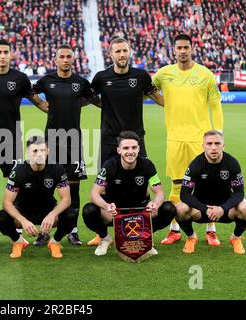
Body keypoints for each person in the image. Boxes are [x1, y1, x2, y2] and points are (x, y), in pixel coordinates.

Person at [88, 37, 164, 246]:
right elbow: (90, 98)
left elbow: (157, 97)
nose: (121, 55)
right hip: (109, 139)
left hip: (135, 139)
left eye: (125, 51)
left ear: (130, 52)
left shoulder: (140, 76)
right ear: (110, 54)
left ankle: (141, 223)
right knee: (103, 184)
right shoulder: (101, 77)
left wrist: (179, 105)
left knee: (143, 179)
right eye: (117, 51)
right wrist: (106, 105)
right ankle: (101, 232)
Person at [153, 34, 224, 246]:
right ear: (173, 50)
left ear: (192, 48)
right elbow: (148, 90)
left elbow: (215, 104)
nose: (182, 51)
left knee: (207, 184)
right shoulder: (164, 74)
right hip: (174, 139)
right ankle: (174, 229)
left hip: (199, 139)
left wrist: (217, 132)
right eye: (179, 48)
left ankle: (211, 230)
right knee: (176, 185)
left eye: (186, 47)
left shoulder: (205, 74)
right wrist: (163, 101)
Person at [32, 44, 96, 246]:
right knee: (46, 188)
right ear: (56, 59)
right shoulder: (47, 80)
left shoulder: (81, 82)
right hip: (50, 141)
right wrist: (42, 105)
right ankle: (44, 231)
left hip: (74, 142)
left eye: (69, 56)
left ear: (73, 59)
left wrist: (78, 104)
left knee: (74, 189)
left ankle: (73, 231)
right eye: (62, 56)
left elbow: (90, 98)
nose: (66, 60)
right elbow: (29, 92)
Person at [82, 131, 176, 256]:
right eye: (126, 148)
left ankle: (145, 237)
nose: (130, 151)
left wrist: (155, 204)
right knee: (89, 210)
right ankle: (105, 238)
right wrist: (106, 206)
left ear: (138, 149)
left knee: (169, 208)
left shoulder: (147, 165)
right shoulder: (109, 166)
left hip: (140, 212)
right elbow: (94, 194)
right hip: (115, 214)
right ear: (119, 150)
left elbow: (159, 192)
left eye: (134, 147)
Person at [0, 39, 48, 186]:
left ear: (11, 55)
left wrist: (63, 107)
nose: (2, 55)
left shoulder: (20, 79)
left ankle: (11, 209)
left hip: (11, 139)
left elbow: (40, 103)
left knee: (15, 185)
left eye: (5, 52)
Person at [0, 136, 77, 259]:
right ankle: (18, 241)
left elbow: (66, 199)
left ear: (48, 151)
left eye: (43, 150)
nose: (39, 154)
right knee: (2, 218)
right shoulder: (18, 171)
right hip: (23, 212)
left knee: (71, 215)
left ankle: (55, 242)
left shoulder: (57, 169)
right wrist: (22, 220)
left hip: (48, 212)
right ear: (27, 152)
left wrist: (52, 215)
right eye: (35, 151)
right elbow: (7, 203)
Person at [176, 130, 246, 254]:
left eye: (217, 143)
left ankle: (236, 237)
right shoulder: (196, 165)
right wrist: (204, 208)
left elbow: (239, 193)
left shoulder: (232, 163)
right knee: (180, 208)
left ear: (223, 145)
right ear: (203, 146)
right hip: (201, 211)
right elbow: (184, 194)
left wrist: (222, 208)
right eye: (209, 143)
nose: (213, 147)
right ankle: (191, 237)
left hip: (226, 210)